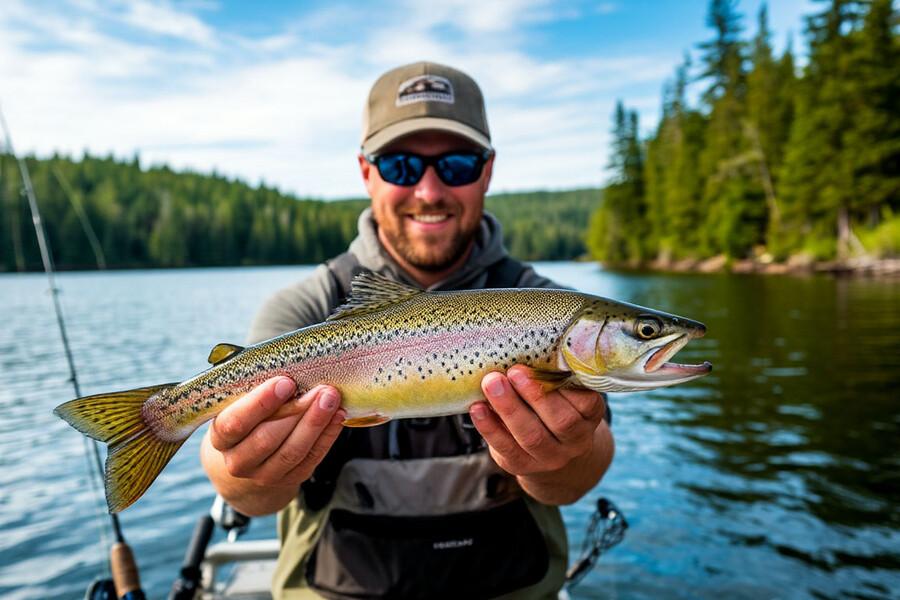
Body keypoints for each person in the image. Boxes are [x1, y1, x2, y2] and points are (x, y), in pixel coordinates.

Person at [200, 61, 615, 600]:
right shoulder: (304, 308)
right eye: (400, 165)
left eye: (457, 164)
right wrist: (238, 467)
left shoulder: (546, 307)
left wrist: (563, 457)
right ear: (366, 172)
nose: (427, 190)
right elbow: (246, 493)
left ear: (487, 171)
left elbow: (583, 470)